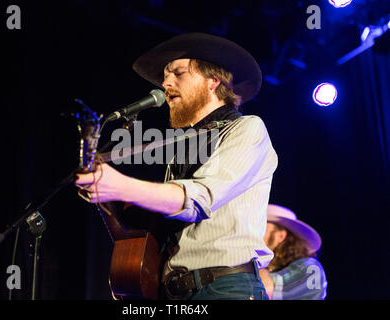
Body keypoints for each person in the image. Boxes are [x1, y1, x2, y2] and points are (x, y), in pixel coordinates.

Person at [75, 32, 278, 300]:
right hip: (175, 292)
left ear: (212, 81)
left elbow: (199, 198)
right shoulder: (183, 148)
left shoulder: (247, 128)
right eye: (165, 75)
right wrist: (106, 198)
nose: (165, 83)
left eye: (178, 73)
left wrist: (121, 186)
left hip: (225, 287)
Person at [259, 204, 328, 300]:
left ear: (280, 236)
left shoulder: (309, 268)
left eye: (260, 226)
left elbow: (264, 287)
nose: (253, 232)